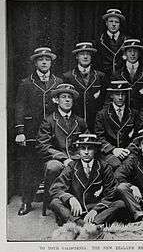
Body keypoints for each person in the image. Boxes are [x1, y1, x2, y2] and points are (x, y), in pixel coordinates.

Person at [14, 47, 63, 215]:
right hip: (32, 132)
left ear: (51, 62)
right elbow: (19, 107)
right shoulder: (26, 83)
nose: (44, 62)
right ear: (35, 62)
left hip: (53, 133)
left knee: (54, 166)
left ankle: (53, 202)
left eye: (47, 59)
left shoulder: (58, 81)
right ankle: (26, 202)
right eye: (41, 59)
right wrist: (20, 130)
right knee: (30, 167)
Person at [49, 134, 125, 226]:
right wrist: (70, 198)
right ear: (78, 150)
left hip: (97, 209)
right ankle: (82, 224)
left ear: (95, 150)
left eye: (90, 148)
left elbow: (111, 193)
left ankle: (91, 224)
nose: (86, 152)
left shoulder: (104, 167)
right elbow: (56, 189)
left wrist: (95, 210)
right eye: (83, 148)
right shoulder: (71, 167)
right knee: (55, 202)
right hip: (77, 210)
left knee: (120, 204)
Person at [36, 84, 88, 215]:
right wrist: (63, 158)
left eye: (69, 97)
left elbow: (87, 142)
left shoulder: (80, 121)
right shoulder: (48, 121)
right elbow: (43, 145)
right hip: (56, 159)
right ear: (56, 100)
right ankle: (53, 201)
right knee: (54, 167)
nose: (67, 100)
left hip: (77, 157)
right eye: (63, 97)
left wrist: (78, 157)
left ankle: (81, 202)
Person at [94, 79, 139, 171]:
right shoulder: (102, 114)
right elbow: (99, 137)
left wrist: (129, 149)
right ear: (111, 95)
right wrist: (113, 150)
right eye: (117, 94)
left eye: (123, 94)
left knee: (133, 164)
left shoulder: (134, 113)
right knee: (115, 165)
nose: (120, 97)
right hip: (109, 152)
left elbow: (138, 135)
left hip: (128, 151)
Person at [63, 42, 107, 132]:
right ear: (76, 56)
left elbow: (105, 100)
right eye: (82, 54)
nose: (85, 57)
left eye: (88, 54)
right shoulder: (68, 77)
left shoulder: (100, 76)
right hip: (75, 122)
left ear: (91, 57)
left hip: (96, 122)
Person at [118, 39, 143, 110]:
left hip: (142, 111)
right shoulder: (117, 74)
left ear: (139, 53)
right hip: (124, 113)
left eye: (135, 51)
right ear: (125, 53)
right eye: (129, 51)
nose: (132, 54)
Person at [95, 8, 127, 75]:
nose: (114, 24)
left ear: (120, 24)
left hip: (122, 76)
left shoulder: (127, 40)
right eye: (111, 21)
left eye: (116, 22)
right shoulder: (98, 41)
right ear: (106, 23)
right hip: (104, 77)